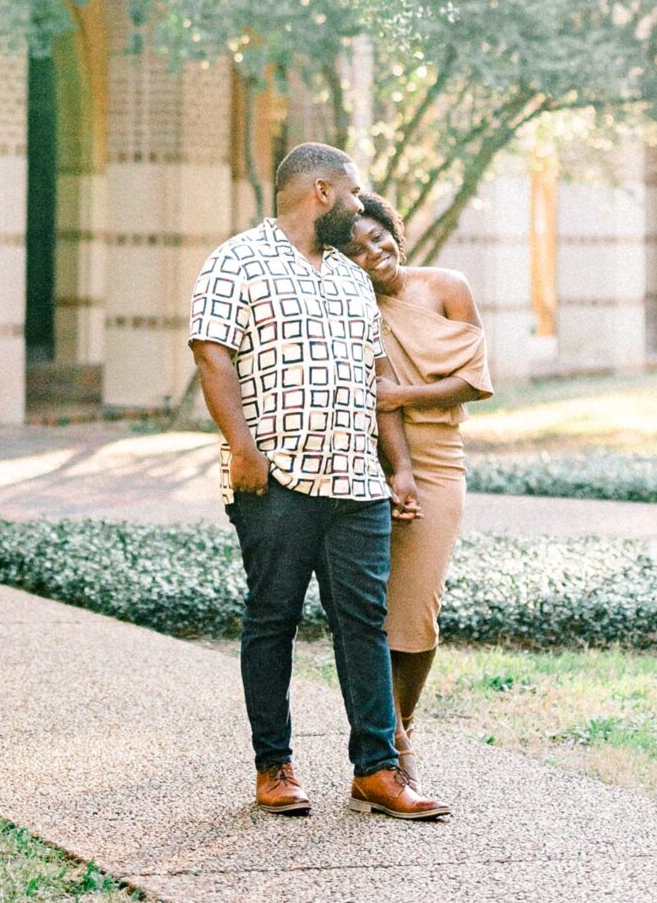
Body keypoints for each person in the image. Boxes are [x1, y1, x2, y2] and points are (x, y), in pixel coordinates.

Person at [188, 142, 450, 821]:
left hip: (355, 482)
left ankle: (376, 771)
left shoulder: (347, 277)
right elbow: (211, 355)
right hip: (272, 478)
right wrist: (241, 448)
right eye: (355, 193)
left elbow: (372, 380)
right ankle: (273, 767)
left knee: (361, 622)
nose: (363, 206)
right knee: (271, 620)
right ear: (322, 193)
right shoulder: (235, 261)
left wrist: (396, 470)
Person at [342, 191, 492, 790]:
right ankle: (383, 750)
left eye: (377, 236)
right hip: (366, 457)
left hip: (439, 462)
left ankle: (401, 727)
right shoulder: (350, 306)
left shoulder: (447, 286)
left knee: (419, 606)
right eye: (354, 249)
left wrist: (401, 396)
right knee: (368, 612)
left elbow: (475, 381)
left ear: (393, 231)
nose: (372, 252)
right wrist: (391, 458)